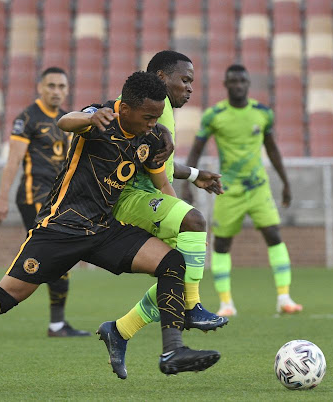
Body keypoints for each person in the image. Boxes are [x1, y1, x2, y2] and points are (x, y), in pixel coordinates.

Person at [0, 71, 221, 393]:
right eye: (148, 117)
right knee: (3, 298)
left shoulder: (150, 136)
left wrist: (183, 196)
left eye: (157, 118)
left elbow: (161, 178)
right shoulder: (101, 117)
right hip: (60, 227)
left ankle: (172, 350)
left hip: (103, 230)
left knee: (172, 262)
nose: (152, 123)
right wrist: (90, 118)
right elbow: (68, 121)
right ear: (125, 109)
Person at [63, 50, 228, 380]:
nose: (190, 89)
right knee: (194, 221)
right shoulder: (152, 105)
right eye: (185, 80)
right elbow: (125, 137)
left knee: (177, 269)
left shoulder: (157, 109)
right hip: (127, 198)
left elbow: (158, 163)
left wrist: (196, 175)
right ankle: (191, 308)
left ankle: (120, 330)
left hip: (143, 196)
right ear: (162, 78)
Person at [0, 67, 90, 337]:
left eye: (61, 86)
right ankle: (57, 324)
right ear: (40, 87)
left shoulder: (68, 119)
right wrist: (1, 198)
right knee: (57, 252)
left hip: (55, 199)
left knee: (45, 258)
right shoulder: (27, 118)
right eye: (51, 86)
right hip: (32, 196)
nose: (56, 91)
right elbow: (13, 160)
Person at [182, 64, 303, 317]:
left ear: (248, 84)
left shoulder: (262, 113)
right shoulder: (215, 115)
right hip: (227, 190)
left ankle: (284, 297)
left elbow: (272, 148)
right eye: (233, 82)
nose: (238, 85)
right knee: (223, 243)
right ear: (226, 85)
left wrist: (286, 182)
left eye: (242, 81)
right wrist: (187, 182)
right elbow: (196, 149)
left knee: (274, 235)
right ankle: (226, 303)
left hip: (259, 188)